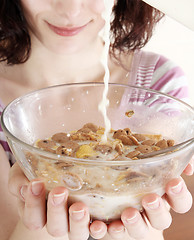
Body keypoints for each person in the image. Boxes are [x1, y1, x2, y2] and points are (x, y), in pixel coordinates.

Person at [0, 0, 193, 240]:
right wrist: (39, 218)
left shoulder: (159, 84)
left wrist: (131, 229)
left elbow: (147, 220)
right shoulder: (11, 119)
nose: (70, 12)